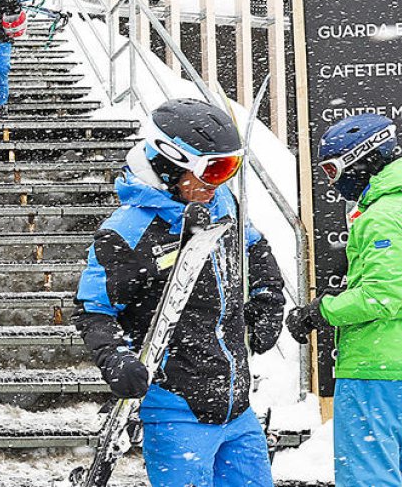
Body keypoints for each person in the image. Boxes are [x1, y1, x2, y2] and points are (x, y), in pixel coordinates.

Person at [73, 98, 286, 487]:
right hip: (176, 410)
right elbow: (93, 310)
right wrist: (115, 358)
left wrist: (268, 299)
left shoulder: (221, 202)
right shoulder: (127, 232)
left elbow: (256, 248)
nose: (218, 183)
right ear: (169, 162)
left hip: (237, 406)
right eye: (214, 170)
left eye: (230, 168)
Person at [287, 114, 402, 487]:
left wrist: (320, 312)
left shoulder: (384, 215)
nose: (332, 182)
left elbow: (381, 298)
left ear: (361, 160)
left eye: (332, 169)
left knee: (367, 475)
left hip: (378, 366)